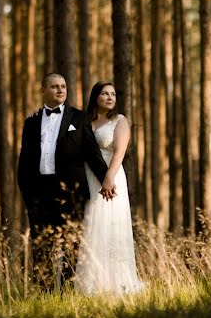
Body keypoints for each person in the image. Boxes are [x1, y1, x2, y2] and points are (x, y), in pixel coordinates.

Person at [17, 73, 113, 292]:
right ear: (43, 90)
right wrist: (27, 192)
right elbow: (24, 160)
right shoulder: (31, 122)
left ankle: (68, 294)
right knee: (41, 245)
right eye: (54, 87)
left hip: (72, 193)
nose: (60, 90)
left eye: (63, 86)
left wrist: (106, 179)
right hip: (39, 192)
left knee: (71, 245)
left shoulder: (79, 119)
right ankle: (44, 294)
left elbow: (92, 153)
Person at [76, 81, 145, 295]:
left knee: (108, 224)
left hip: (111, 177)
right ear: (95, 96)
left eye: (113, 94)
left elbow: (119, 153)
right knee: (90, 225)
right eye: (105, 93)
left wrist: (108, 179)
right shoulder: (85, 121)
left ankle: (116, 283)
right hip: (87, 175)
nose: (110, 97)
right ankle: (90, 282)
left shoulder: (120, 121)